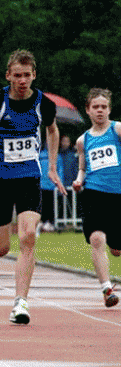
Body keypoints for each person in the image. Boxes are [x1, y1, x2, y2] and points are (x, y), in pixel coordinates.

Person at [0, 49, 63, 325]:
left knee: (28, 236)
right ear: (8, 75)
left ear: (34, 75)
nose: (22, 80)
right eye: (17, 75)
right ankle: (16, 287)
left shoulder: (43, 103)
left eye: (27, 75)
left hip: (29, 177)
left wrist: (51, 167)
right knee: (1, 248)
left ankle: (20, 303)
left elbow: (53, 130)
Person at [71, 88, 121, 308]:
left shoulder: (117, 130)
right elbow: (83, 168)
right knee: (97, 239)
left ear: (109, 109)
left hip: (118, 194)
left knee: (117, 249)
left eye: (104, 107)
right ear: (88, 110)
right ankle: (106, 288)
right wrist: (78, 179)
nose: (100, 111)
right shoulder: (83, 140)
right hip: (94, 193)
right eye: (95, 107)